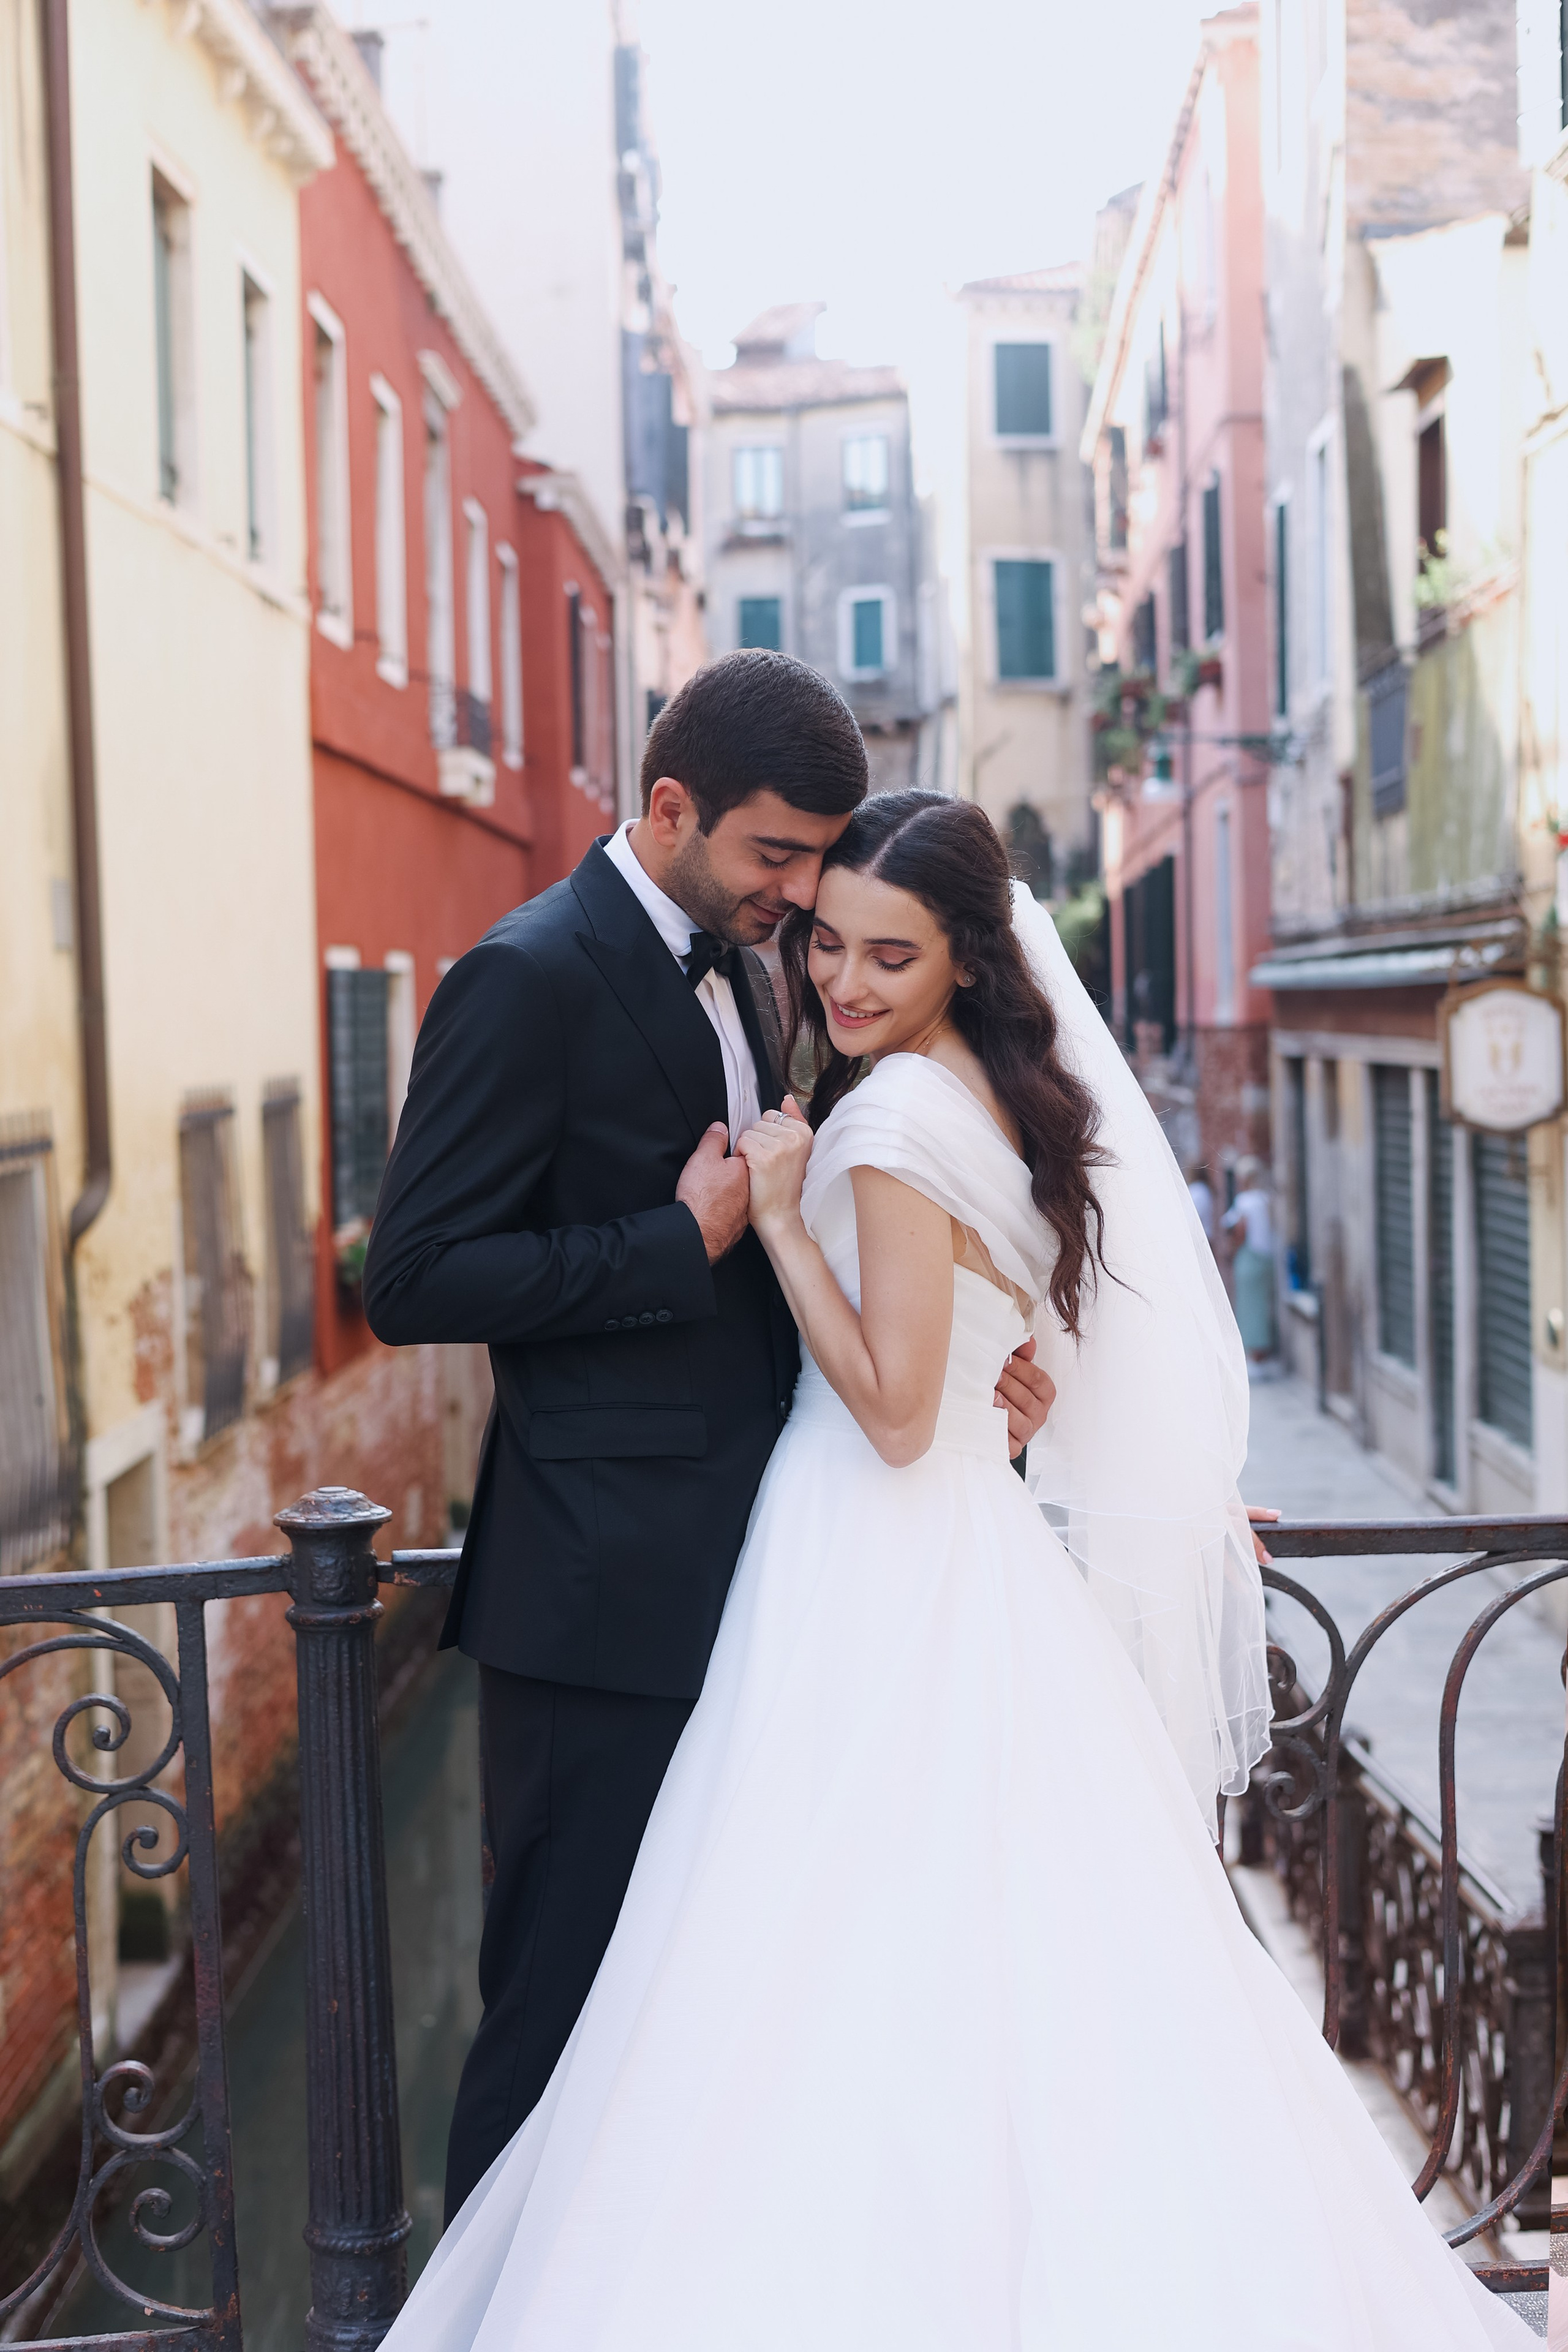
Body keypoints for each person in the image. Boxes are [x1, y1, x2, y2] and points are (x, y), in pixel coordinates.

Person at [380, 793, 1529, 2350]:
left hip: (866, 1527)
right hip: (949, 1548)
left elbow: (899, 1412)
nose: (842, 978)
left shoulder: (895, 1118)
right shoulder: (977, 1085)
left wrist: (774, 1221)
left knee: (800, 1953)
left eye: (885, 953)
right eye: (826, 939)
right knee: (967, 1949)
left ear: (965, 956)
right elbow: (982, 1344)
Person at [361, 658, 1057, 2220]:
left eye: (820, 860)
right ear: (668, 808)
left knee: (710, 2031)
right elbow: (406, 1277)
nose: (803, 894)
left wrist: (982, 1378)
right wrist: (669, 1240)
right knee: (556, 2022)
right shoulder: (524, 974)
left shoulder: (758, 966)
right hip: (601, 1605)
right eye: (774, 855)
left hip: (776, 1581)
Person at [1223, 1152, 1278, 1361]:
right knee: (1262, 1305)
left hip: (1250, 1258)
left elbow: (1241, 1229)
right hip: (1265, 1258)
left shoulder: (1245, 1201)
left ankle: (1255, 1354)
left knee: (1249, 1306)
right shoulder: (1266, 1199)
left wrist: (1232, 1249)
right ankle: (1261, 1353)